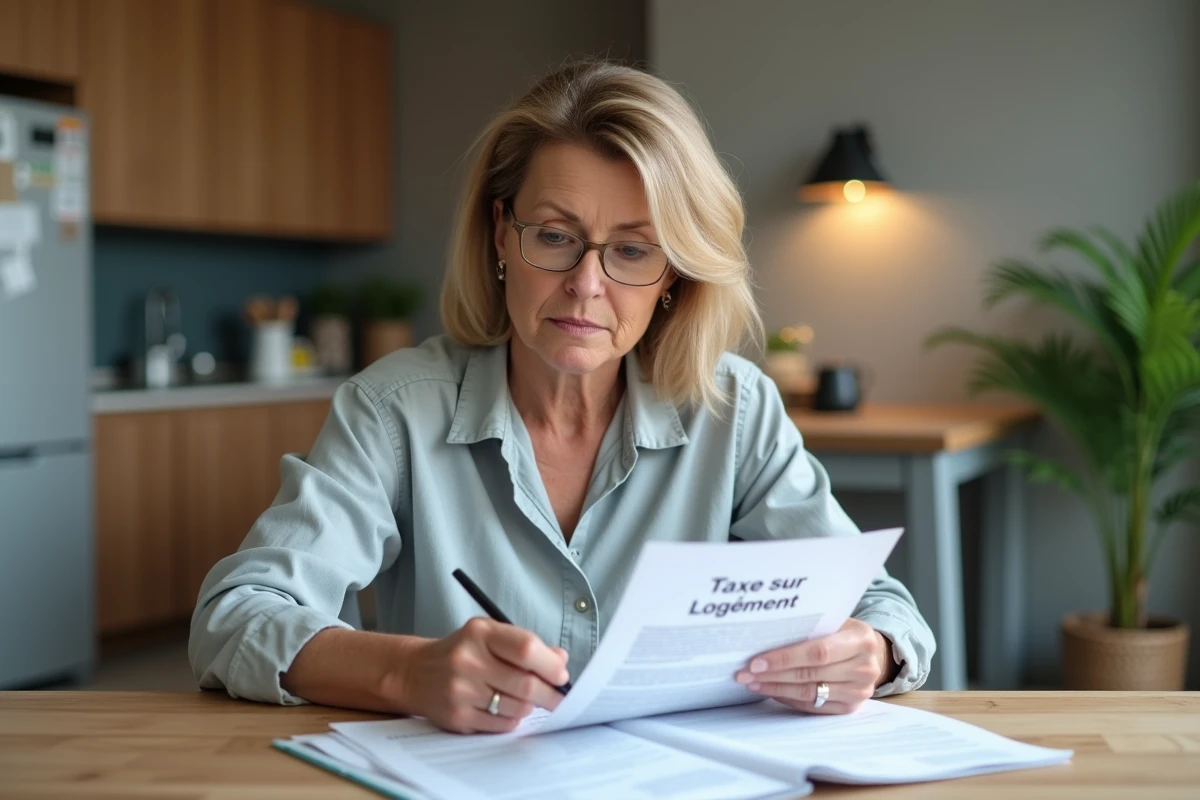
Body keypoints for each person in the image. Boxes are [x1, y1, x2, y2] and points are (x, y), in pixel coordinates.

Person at [190, 59, 934, 734]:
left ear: (674, 274)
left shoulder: (734, 411)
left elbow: (887, 612)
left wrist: (865, 650)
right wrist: (406, 671)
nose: (586, 283)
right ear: (500, 236)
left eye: (634, 251)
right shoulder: (393, 410)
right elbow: (233, 617)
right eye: (554, 236)